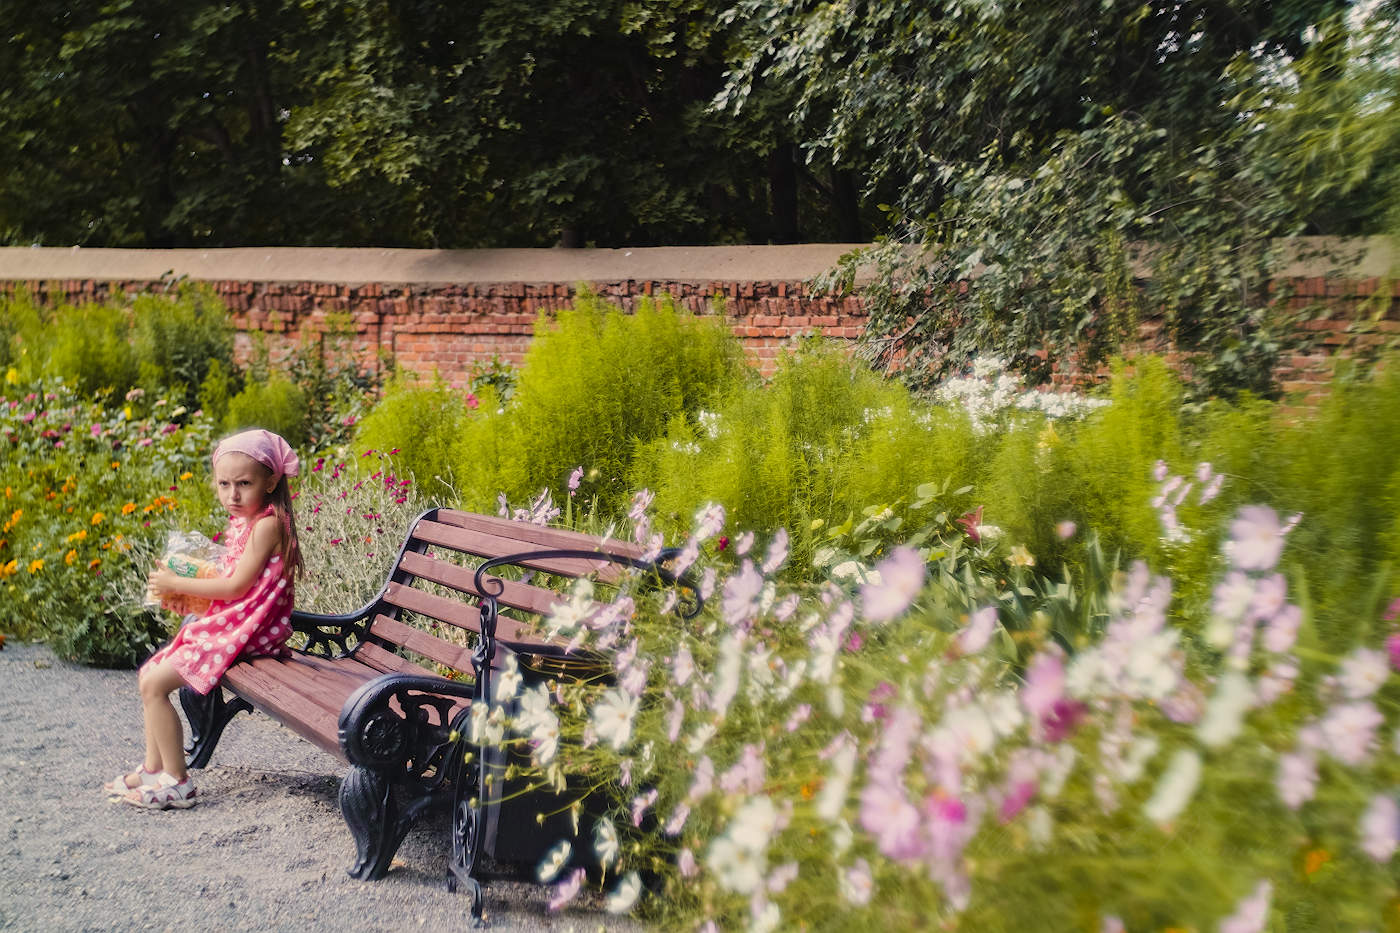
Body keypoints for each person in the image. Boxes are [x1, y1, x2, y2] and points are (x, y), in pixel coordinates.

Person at [103, 428, 304, 809]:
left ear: (272, 480)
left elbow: (235, 587)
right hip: (241, 623)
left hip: (251, 632)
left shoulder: (268, 525)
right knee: (150, 677)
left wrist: (177, 581)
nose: (233, 494)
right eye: (224, 484)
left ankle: (178, 781)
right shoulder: (250, 521)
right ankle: (152, 767)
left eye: (244, 483)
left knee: (155, 684)